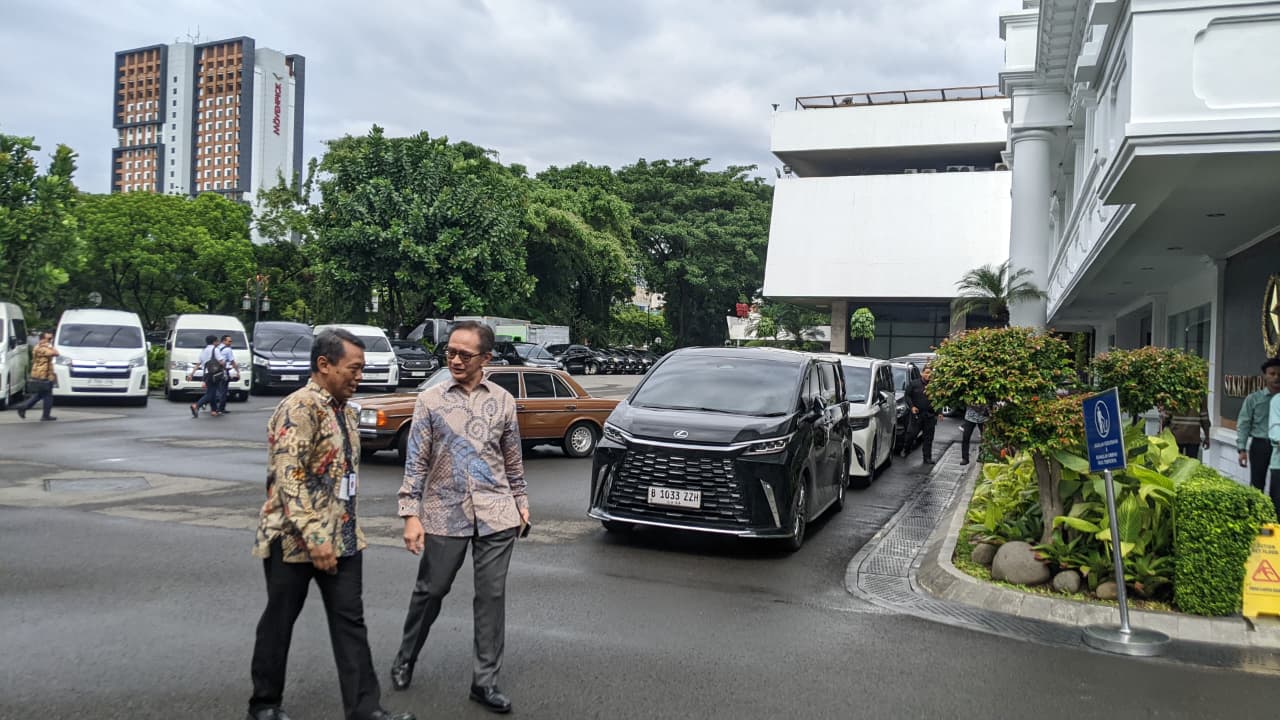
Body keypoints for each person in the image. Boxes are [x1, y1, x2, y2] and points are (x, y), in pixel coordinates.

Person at [246, 329, 415, 720]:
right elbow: (290, 477)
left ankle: (365, 709)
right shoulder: (299, 408)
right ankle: (265, 704)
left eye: (362, 369)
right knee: (280, 620)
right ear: (324, 365)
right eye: (353, 368)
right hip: (292, 540)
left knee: (350, 623)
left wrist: (338, 534)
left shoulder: (344, 409)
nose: (359, 376)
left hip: (342, 538)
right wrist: (315, 536)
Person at [390, 320, 529, 714]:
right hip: (443, 512)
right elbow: (415, 463)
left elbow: (513, 463)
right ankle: (405, 658)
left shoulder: (502, 401)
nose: (454, 359)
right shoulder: (430, 401)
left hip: (496, 512)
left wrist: (521, 503)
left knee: (491, 597)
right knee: (431, 591)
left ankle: (484, 683)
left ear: (486, 357)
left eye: (464, 355)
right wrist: (409, 514)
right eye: (450, 352)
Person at [1238, 358, 1280, 493]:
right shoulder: (1254, 399)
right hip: (1260, 445)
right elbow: (1244, 424)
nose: (1276, 377)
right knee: (1257, 485)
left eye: (1279, 374)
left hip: (1278, 448)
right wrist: (1242, 449)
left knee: (1277, 487)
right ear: (1265, 376)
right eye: (1272, 374)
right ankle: (1257, 512)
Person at [15, 330, 58, 421]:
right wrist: (50, 345)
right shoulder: (41, 348)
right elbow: (55, 353)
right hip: (42, 374)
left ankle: (24, 407)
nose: (50, 340)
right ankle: (44, 415)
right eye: (49, 338)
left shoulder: (41, 347)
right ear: (43, 339)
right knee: (47, 395)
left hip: (46, 373)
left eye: (51, 338)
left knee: (41, 394)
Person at [902, 364, 937, 464]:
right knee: (911, 434)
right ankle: (906, 449)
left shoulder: (935, 385)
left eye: (930, 373)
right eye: (926, 373)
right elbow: (907, 396)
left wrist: (939, 413)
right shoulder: (914, 384)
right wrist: (912, 406)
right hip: (917, 415)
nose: (928, 375)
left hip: (930, 415)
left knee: (928, 438)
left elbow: (939, 400)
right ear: (922, 373)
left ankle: (927, 458)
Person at [189, 334, 225, 418]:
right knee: (210, 393)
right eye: (217, 341)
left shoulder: (203, 351)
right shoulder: (215, 350)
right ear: (214, 342)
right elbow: (221, 361)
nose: (218, 342)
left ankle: (214, 410)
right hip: (215, 374)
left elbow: (198, 364)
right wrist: (224, 365)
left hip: (206, 374)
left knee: (212, 391)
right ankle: (196, 406)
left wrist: (191, 374)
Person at [214, 334, 238, 414]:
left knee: (217, 389)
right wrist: (237, 371)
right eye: (229, 341)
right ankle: (221, 408)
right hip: (224, 371)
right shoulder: (228, 349)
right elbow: (232, 361)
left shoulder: (216, 348)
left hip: (215, 371)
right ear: (224, 341)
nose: (231, 342)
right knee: (223, 390)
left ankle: (213, 406)